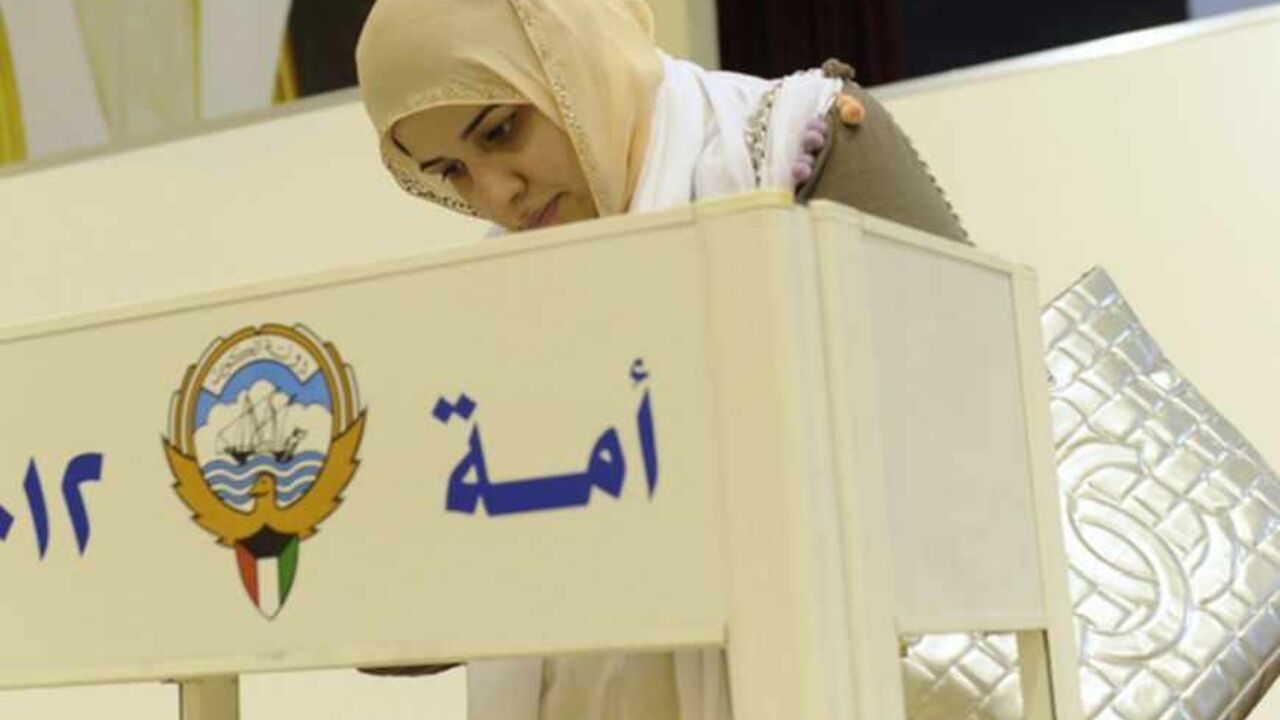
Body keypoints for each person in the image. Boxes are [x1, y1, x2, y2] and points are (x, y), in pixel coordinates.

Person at [354, 0, 967, 717]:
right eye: (451, 171)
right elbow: (449, 585)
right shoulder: (496, 294)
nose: (496, 194)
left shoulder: (798, 147)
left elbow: (969, 441)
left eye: (502, 130)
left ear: (575, 51)